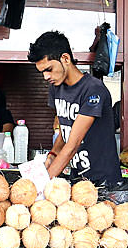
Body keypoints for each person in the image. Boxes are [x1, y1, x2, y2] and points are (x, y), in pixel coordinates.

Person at [28, 30, 120, 185]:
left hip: (103, 182)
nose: (46, 77)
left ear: (65, 58)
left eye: (49, 69)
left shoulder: (93, 89)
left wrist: (41, 184)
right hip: (78, 178)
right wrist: (52, 154)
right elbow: (66, 129)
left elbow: (73, 144)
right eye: (42, 72)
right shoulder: (56, 87)